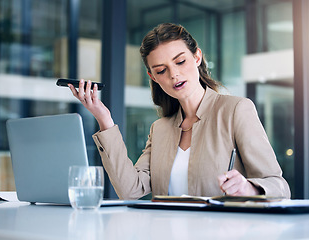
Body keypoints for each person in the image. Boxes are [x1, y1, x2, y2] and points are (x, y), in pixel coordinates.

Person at [68, 23, 291, 200]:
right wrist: (104, 119)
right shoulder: (160, 129)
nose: (174, 74)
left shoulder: (235, 110)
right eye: (162, 70)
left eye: (180, 61)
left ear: (197, 57)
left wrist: (249, 188)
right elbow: (130, 190)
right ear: (153, 77)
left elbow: (279, 186)